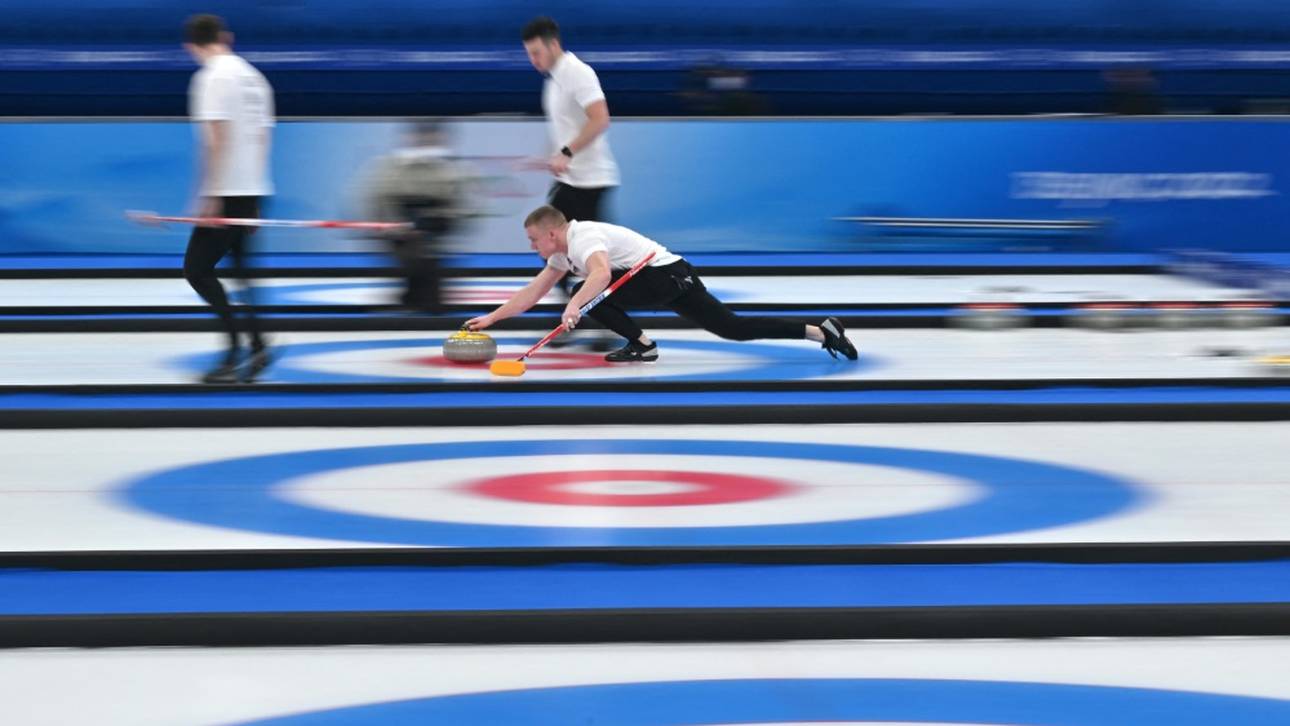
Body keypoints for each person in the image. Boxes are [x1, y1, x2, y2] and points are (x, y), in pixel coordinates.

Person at [465, 206, 858, 362]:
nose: (531, 247)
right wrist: (492, 318)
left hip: (664, 275)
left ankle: (642, 345)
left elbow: (601, 275)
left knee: (581, 292)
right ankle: (820, 331)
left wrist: (573, 306)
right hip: (669, 277)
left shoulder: (583, 238)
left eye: (533, 240)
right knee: (733, 329)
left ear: (552, 233)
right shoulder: (561, 254)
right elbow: (533, 292)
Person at [182, 14, 275, 383]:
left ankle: (236, 351)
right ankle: (257, 345)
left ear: (191, 46)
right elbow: (263, 138)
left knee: (197, 270)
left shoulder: (211, 77)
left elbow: (215, 140)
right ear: (226, 37)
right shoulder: (255, 78)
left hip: (226, 192)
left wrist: (210, 196)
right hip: (251, 190)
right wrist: (254, 198)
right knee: (239, 272)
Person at [522, 16, 619, 350]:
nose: (533, 60)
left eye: (536, 52)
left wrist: (567, 152)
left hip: (591, 181)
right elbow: (566, 128)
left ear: (553, 45)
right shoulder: (553, 82)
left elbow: (600, 118)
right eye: (529, 54)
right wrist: (550, 157)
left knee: (585, 257)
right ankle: (574, 317)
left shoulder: (578, 72)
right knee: (553, 249)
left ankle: (604, 323)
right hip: (572, 180)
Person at [360, 121, 475, 311]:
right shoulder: (389, 168)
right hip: (401, 238)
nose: (427, 142)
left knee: (431, 292)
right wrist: (397, 229)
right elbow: (378, 201)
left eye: (432, 137)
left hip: (437, 239)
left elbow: (464, 206)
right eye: (422, 136)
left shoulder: (455, 169)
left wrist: (439, 221)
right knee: (415, 283)